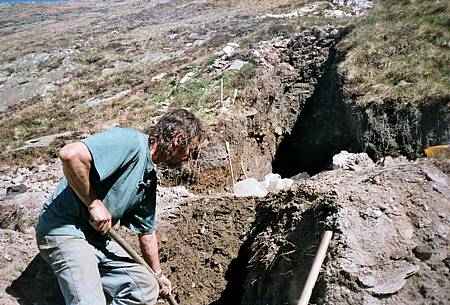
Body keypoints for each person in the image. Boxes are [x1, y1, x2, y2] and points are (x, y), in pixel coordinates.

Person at [35, 109, 204, 305]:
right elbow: (69, 154)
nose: (188, 157)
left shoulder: (148, 179)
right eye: (190, 149)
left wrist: (157, 274)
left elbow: (147, 234)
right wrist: (94, 203)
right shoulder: (130, 142)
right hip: (64, 229)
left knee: (145, 287)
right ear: (178, 140)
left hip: (96, 238)